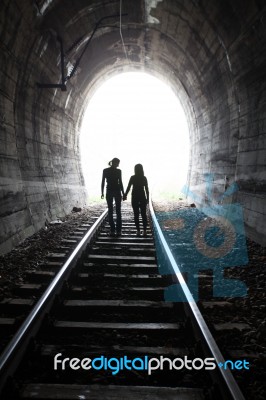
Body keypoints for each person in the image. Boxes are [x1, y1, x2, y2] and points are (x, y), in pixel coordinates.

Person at [124, 164, 149, 236]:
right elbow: (146, 189)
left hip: (135, 196)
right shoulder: (144, 178)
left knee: (136, 214)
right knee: (143, 214)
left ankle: (138, 231)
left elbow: (128, 187)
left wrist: (125, 195)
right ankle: (144, 231)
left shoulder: (132, 177)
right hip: (142, 196)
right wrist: (147, 198)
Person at [101, 158, 125, 236]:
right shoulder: (118, 171)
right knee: (118, 211)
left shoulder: (105, 170)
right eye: (118, 163)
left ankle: (112, 229)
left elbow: (103, 182)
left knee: (110, 210)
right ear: (115, 163)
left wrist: (102, 192)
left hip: (109, 191)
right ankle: (118, 230)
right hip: (117, 191)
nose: (118, 165)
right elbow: (120, 182)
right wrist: (123, 193)